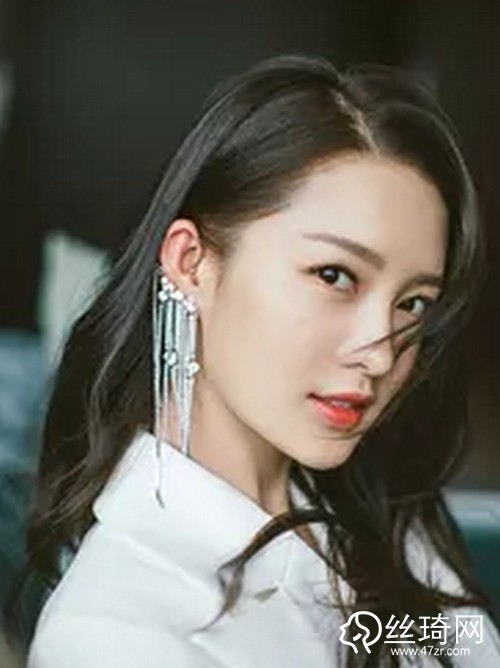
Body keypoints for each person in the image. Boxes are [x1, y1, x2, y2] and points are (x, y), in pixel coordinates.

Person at [23, 54, 500, 667]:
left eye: (412, 303)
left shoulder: (376, 521)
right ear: (191, 263)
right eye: (335, 276)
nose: (381, 351)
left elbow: (468, 649)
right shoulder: (117, 636)